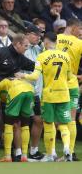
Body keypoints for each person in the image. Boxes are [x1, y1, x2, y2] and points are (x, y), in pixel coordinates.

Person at [15, 32, 72, 162]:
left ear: (46, 43)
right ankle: (67, 148)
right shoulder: (66, 56)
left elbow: (34, 76)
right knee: (63, 124)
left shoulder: (41, 56)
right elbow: (69, 77)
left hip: (48, 96)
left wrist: (22, 76)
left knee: (48, 124)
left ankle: (50, 154)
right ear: (56, 42)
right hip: (64, 94)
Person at [56, 18, 82, 161]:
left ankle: (52, 153)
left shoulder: (56, 39)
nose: (81, 32)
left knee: (53, 121)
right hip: (71, 84)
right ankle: (70, 153)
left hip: (55, 85)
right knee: (71, 120)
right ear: (73, 28)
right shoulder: (79, 43)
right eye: (80, 29)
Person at [0, 77, 34, 162]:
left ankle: (7, 157)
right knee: (25, 124)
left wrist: (2, 130)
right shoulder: (9, 82)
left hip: (16, 92)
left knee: (8, 124)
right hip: (30, 90)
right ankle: (24, 156)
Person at [24, 25, 44, 161]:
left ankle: (34, 150)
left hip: (37, 91)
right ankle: (20, 153)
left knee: (39, 120)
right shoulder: (22, 48)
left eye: (39, 35)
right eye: (35, 34)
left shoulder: (39, 49)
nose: (38, 37)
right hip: (24, 90)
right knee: (22, 122)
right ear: (27, 34)